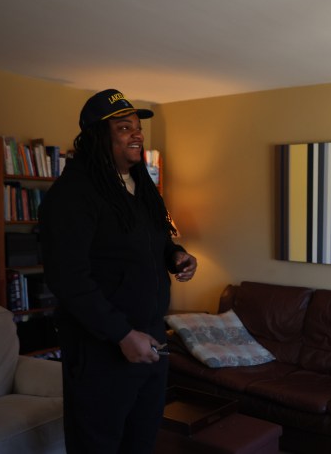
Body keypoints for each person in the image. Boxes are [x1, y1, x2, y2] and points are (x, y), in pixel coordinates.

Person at [39, 89, 197, 453]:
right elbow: (68, 279)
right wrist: (123, 334)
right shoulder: (73, 194)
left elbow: (154, 240)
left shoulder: (141, 186)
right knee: (98, 445)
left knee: (140, 442)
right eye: (124, 127)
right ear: (97, 135)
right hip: (102, 349)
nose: (137, 135)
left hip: (151, 341)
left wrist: (176, 255)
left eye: (137, 127)